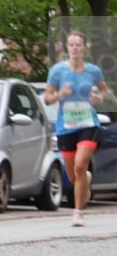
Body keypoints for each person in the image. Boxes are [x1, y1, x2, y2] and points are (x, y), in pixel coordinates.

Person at [44, 31, 110, 226]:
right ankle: (85, 180)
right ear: (67, 48)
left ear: (84, 48)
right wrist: (59, 95)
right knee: (74, 175)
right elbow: (47, 99)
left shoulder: (93, 71)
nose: (74, 48)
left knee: (81, 165)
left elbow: (104, 90)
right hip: (66, 126)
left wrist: (99, 97)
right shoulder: (57, 71)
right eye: (71, 45)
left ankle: (78, 212)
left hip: (88, 123)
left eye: (78, 45)